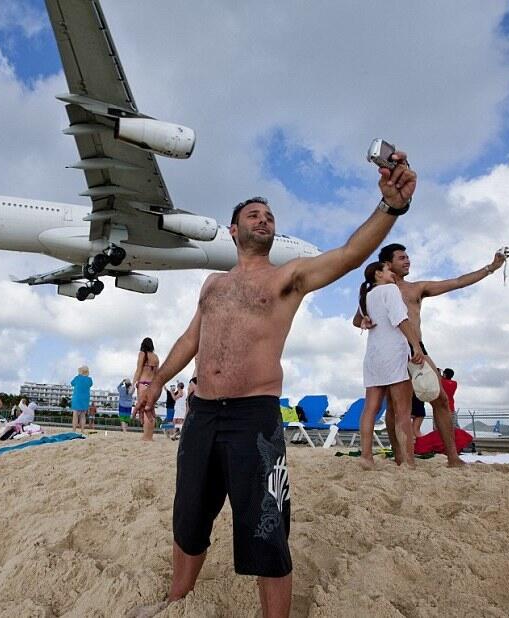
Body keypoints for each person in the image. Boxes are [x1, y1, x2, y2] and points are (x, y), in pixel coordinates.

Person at [136, 149, 415, 618]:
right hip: (202, 414)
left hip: (254, 417)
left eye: (269, 216)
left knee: (267, 525)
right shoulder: (212, 285)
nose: (263, 220)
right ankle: (175, 601)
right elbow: (190, 339)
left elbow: (349, 255)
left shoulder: (290, 277)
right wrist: (157, 380)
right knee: (189, 517)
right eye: (253, 214)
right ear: (234, 230)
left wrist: (390, 207)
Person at [354, 243, 509, 467]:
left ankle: (453, 456)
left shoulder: (416, 288)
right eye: (401, 258)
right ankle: (401, 458)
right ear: (386, 265)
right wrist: (365, 321)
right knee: (396, 407)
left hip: (416, 347)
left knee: (441, 398)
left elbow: (456, 282)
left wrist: (491, 267)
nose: (407, 261)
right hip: (394, 349)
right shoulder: (378, 291)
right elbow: (358, 318)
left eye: (408, 257)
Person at [357, 261, 424, 469]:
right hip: (393, 353)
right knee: (402, 411)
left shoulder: (366, 296)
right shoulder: (390, 290)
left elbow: (356, 320)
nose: (392, 273)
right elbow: (400, 319)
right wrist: (416, 345)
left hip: (373, 356)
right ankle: (407, 460)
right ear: (378, 274)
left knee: (370, 408)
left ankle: (366, 456)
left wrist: (363, 321)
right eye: (388, 270)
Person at [132, 337, 160, 441]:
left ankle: (146, 436)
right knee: (150, 409)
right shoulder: (156, 357)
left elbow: (138, 370)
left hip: (143, 384)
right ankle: (150, 435)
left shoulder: (142, 354)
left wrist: (133, 383)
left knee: (144, 410)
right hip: (152, 384)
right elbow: (157, 373)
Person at [71, 366, 93, 433]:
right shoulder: (89, 379)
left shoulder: (77, 378)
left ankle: (74, 430)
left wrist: (79, 375)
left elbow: (72, 383)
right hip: (85, 398)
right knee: (83, 415)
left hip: (77, 398)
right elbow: (90, 384)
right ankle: (82, 430)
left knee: (75, 415)